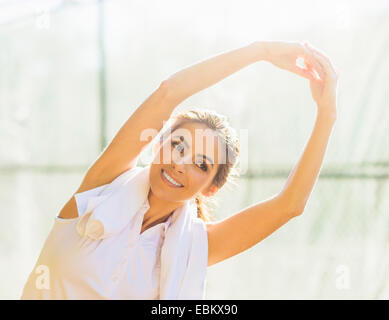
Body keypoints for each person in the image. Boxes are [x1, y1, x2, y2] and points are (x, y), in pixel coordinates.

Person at [21, 40, 338, 299]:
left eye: (201, 164)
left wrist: (327, 114)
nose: (180, 164)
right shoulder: (99, 191)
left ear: (211, 187)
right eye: (179, 146)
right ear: (158, 144)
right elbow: (167, 93)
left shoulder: (196, 247)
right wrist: (262, 52)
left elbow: (290, 205)